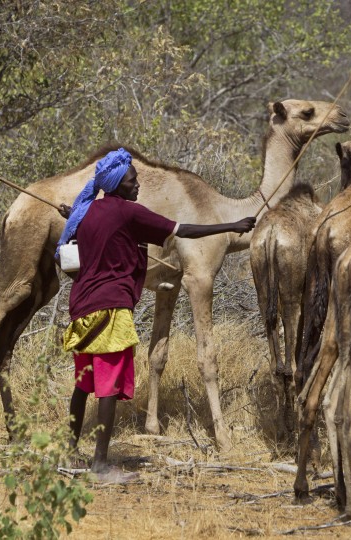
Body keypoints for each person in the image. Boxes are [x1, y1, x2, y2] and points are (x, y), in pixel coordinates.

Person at [56, 147, 255, 483]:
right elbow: (184, 230)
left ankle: (70, 449)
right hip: (110, 309)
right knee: (107, 387)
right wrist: (232, 225)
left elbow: (69, 258)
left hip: (82, 307)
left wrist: (72, 215)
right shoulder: (128, 213)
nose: (138, 187)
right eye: (132, 181)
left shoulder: (85, 212)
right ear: (118, 184)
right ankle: (100, 465)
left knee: (83, 384)